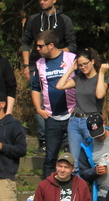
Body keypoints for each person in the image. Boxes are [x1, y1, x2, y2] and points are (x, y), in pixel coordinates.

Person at [20, 0, 78, 151]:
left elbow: (72, 45)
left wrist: (57, 54)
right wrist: (26, 65)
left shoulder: (64, 19)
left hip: (61, 64)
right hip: (37, 64)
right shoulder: (33, 19)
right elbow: (25, 42)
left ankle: (66, 141)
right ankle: (44, 141)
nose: (42, 1)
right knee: (40, 101)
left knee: (63, 96)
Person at [31, 30, 78, 177]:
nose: (37, 49)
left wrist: (80, 107)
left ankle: (75, 186)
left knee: (74, 155)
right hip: (51, 117)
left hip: (72, 114)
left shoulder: (71, 58)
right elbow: (35, 88)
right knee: (50, 157)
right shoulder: (39, 63)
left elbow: (84, 81)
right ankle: (48, 187)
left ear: (51, 45)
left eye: (40, 46)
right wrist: (38, 108)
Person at [55, 48, 109, 164]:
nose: (83, 67)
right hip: (75, 121)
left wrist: (101, 73)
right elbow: (59, 86)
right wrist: (71, 69)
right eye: (80, 65)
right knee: (74, 160)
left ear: (92, 61)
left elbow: (100, 94)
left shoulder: (101, 78)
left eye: (85, 63)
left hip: (92, 121)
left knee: (93, 157)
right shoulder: (79, 78)